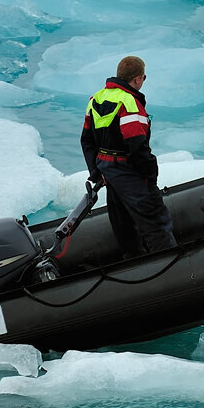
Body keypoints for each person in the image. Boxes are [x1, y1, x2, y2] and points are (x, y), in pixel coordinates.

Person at [80, 56, 177, 258]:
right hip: (129, 171)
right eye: (143, 78)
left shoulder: (95, 99)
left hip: (108, 171)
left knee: (122, 222)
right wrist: (150, 174)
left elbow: (87, 141)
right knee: (155, 219)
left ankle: (132, 262)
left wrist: (96, 172)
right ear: (137, 80)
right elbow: (137, 144)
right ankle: (167, 263)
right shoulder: (129, 102)